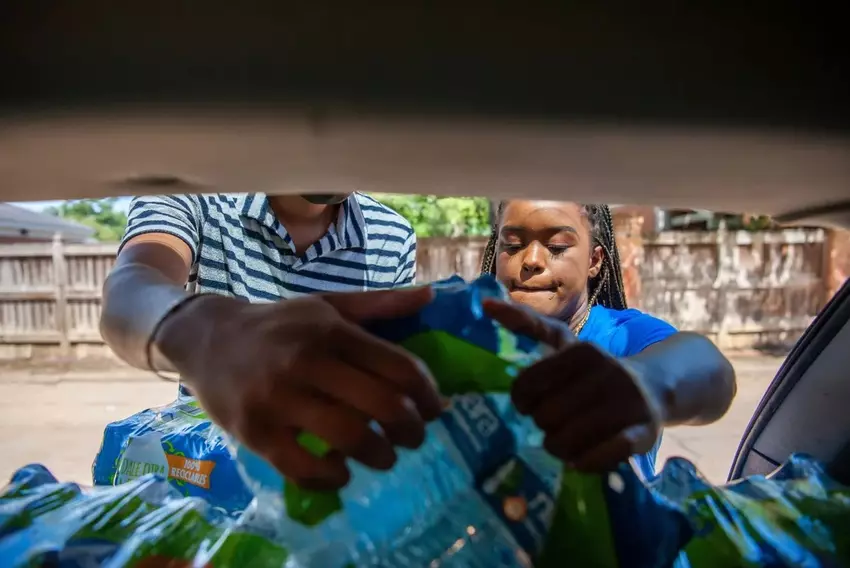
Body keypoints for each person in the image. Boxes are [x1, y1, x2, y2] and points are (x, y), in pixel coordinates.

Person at [100, 192, 444, 491]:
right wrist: (210, 336)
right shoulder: (198, 199)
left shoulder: (392, 236)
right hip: (210, 473)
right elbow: (129, 291)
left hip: (335, 482)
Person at [479, 200, 736, 479]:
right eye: (513, 245)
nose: (531, 260)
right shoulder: (471, 337)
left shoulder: (621, 336)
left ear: (593, 261)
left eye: (557, 247)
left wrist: (643, 383)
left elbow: (711, 369)